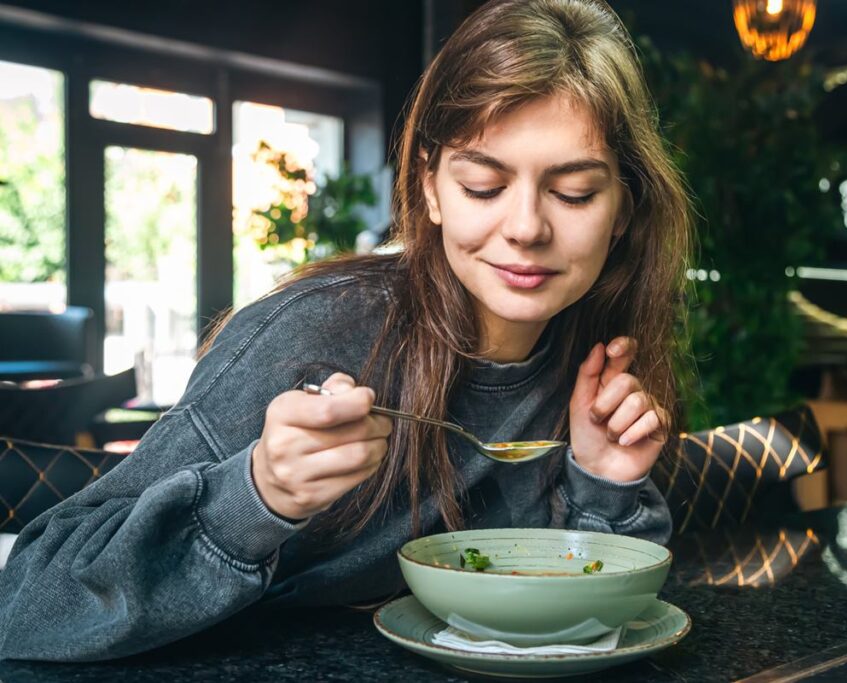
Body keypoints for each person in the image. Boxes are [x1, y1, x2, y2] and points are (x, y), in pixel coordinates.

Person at [0, 0, 691, 662]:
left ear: (624, 210)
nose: (526, 227)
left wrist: (601, 483)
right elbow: (27, 601)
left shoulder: (591, 363)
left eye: (573, 193)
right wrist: (259, 492)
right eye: (483, 184)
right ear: (430, 188)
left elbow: (586, 622)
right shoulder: (311, 335)